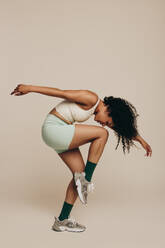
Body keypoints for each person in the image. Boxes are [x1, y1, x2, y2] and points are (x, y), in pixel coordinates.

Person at [10, 84, 152, 233]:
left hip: (58, 133)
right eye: (108, 122)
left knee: (78, 174)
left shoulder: (96, 110)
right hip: (54, 128)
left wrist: (140, 140)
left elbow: (119, 128)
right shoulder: (91, 98)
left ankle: (62, 220)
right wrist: (30, 88)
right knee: (102, 134)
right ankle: (86, 180)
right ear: (109, 110)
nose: (104, 124)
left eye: (108, 124)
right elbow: (61, 92)